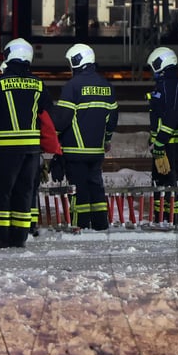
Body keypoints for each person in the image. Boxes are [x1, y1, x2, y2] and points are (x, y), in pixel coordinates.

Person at [0, 38, 52, 248]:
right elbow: (47, 114)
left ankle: (0, 237)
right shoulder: (38, 83)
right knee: (24, 191)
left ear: (9, 55)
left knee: (3, 192)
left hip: (6, 148)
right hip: (31, 150)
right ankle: (19, 237)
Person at [51, 43, 118, 231]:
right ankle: (100, 224)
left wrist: (53, 140)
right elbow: (112, 119)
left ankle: (80, 225)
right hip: (97, 151)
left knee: (78, 190)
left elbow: (63, 118)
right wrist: (106, 140)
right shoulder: (107, 86)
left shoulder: (73, 86)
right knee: (96, 187)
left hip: (74, 149)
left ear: (76, 62)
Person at [146, 47, 178, 227]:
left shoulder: (166, 85)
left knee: (164, 181)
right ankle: (173, 218)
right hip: (172, 142)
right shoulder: (175, 83)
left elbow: (170, 116)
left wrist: (158, 142)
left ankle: (165, 218)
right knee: (174, 181)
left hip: (166, 144)